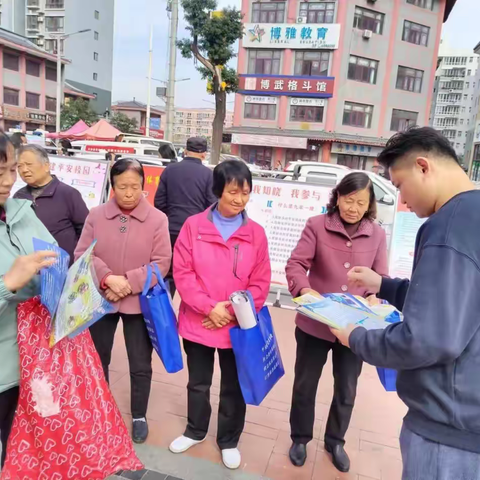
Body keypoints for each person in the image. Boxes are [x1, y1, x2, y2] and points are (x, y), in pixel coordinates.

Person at [331, 127, 480, 480]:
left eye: (399, 186)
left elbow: (427, 339)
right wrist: (384, 285)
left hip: (449, 430)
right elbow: (457, 303)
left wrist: (356, 337)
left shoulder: (449, 225)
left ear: (424, 167)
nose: (403, 202)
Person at [169, 160, 271, 470]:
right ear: (217, 192)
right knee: (198, 382)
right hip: (199, 319)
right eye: (232, 193)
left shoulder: (255, 234)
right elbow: (182, 273)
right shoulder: (193, 227)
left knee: (233, 385)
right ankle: (196, 430)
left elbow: (261, 282)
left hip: (236, 325)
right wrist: (208, 307)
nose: (239, 200)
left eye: (245, 193)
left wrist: (229, 310)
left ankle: (228, 439)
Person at [285, 172, 388, 473]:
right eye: (348, 200)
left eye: (360, 203)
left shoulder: (377, 234)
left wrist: (374, 297)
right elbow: (296, 264)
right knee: (305, 384)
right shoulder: (316, 225)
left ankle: (335, 441)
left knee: (346, 388)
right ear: (337, 197)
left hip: (353, 329)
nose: (352, 208)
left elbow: (379, 277)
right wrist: (305, 290)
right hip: (315, 322)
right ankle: (300, 437)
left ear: (369, 205)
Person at [74, 158, 171, 444]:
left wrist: (128, 282)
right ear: (112, 187)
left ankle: (139, 414)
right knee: (96, 358)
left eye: (135, 187)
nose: (129, 193)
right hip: (101, 299)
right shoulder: (95, 216)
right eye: (122, 187)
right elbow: (83, 254)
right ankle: (98, 408)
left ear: (144, 186)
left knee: (140, 362)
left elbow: (162, 263)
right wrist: (107, 279)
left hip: (137, 302)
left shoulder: (158, 219)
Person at [0, 132, 57, 468]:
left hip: (36, 362)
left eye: (11, 171)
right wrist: (7, 283)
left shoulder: (22, 211)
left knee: (32, 444)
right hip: (3, 371)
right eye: (0, 172)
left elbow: (51, 255)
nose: (9, 181)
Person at [154, 136, 217, 297]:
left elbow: (159, 202)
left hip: (170, 230)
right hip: (195, 234)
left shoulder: (170, 170)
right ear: (204, 154)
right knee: (193, 275)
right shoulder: (208, 175)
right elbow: (212, 206)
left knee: (167, 274)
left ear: (186, 151)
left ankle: (164, 315)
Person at [14, 145, 89, 266]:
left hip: (63, 268)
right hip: (31, 271)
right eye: (19, 166)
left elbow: (86, 231)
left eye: (29, 164)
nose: (24, 170)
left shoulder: (68, 194)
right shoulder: (19, 196)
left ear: (46, 166)